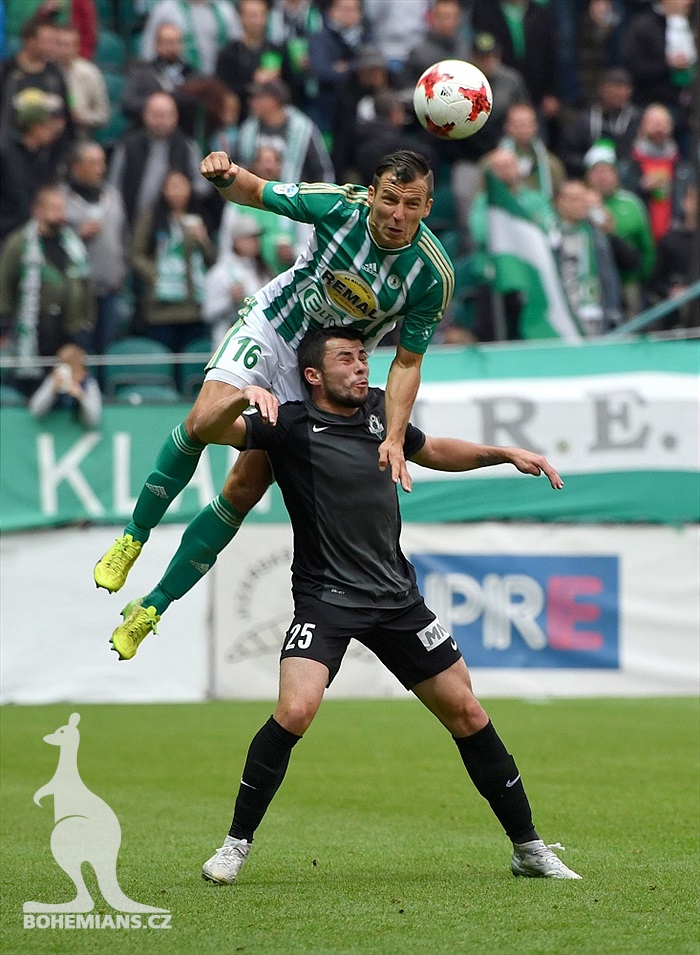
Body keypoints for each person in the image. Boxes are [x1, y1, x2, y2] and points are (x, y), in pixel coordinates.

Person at [117, 325, 580, 882]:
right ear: (313, 375)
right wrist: (239, 393)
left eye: (364, 357)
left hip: (395, 598)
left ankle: (528, 848)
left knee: (468, 712)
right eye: (347, 359)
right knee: (294, 711)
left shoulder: (383, 410)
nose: (362, 367)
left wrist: (501, 454)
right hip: (326, 598)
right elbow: (206, 427)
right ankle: (234, 845)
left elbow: (430, 450)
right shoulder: (287, 424)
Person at [93, 149, 455, 651]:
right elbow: (257, 191)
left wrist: (395, 436)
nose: (397, 214)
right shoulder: (337, 207)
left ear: (428, 207)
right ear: (371, 195)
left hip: (317, 375)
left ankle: (151, 606)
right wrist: (225, 175)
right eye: (389, 200)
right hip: (273, 328)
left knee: (242, 491)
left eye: (411, 205)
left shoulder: (432, 276)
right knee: (202, 421)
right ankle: (133, 537)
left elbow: (407, 363)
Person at [0, 184, 94, 395]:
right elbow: (4, 285)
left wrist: (87, 320)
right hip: (36, 327)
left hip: (69, 327)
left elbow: (85, 282)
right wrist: (4, 323)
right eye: (54, 208)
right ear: (38, 211)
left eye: (62, 208)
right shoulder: (20, 243)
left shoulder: (72, 244)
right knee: (36, 385)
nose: (60, 214)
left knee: (70, 381)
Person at [130, 168, 217, 352]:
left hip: (194, 306)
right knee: (164, 356)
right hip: (162, 308)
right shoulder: (151, 219)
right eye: (171, 187)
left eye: (181, 187)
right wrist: (154, 275)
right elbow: (136, 254)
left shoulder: (198, 218)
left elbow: (212, 260)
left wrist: (203, 239)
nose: (176, 192)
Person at [61, 141, 129, 354]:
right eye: (92, 163)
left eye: (101, 162)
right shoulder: (62, 198)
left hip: (110, 287)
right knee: (81, 349)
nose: (99, 168)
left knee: (107, 349)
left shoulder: (112, 196)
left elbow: (124, 235)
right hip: (76, 293)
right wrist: (77, 235)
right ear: (76, 166)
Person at [108, 91, 212, 227]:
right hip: (132, 221)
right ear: (145, 115)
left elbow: (203, 186)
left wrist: (180, 192)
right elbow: (113, 186)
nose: (160, 121)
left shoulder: (187, 146)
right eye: (156, 116)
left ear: (176, 117)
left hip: (174, 225)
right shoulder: (128, 146)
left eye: (165, 116)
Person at [235, 77, 334, 184]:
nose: (251, 102)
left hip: (293, 195)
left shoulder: (303, 129)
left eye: (258, 98)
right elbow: (239, 164)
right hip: (254, 195)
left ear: (274, 100)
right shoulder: (248, 129)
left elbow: (322, 170)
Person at [214, 0, 285, 124]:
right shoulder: (229, 53)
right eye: (252, 15)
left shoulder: (277, 50)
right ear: (241, 18)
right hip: (241, 118)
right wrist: (253, 81)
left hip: (273, 119)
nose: (257, 21)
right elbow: (223, 89)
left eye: (261, 14)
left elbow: (290, 84)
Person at [139, 0, 242, 76]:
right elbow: (149, 48)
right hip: (180, 79)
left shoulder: (225, 9)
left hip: (218, 80)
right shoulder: (165, 10)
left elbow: (237, 45)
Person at [53, 22, 109, 140]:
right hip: (49, 138)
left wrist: (82, 117)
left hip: (80, 137)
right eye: (60, 44)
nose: (64, 50)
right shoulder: (45, 71)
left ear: (77, 47)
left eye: (69, 45)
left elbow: (103, 115)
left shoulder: (90, 73)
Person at [28, 341, 102, 427]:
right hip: (53, 429)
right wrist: (52, 390)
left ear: (83, 372)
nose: (70, 376)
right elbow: (35, 411)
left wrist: (81, 396)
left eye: (74, 371)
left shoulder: (89, 384)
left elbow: (94, 420)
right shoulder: (53, 380)